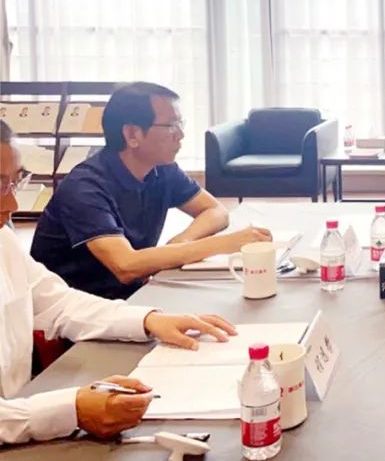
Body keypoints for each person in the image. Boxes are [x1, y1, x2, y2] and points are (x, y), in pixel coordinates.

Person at [1, 118, 238, 445]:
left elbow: (60, 304)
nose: (12, 205)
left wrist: (149, 320)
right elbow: (126, 265)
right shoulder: (84, 186)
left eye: (15, 183)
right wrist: (70, 410)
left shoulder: (4, 242)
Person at [30, 82, 270, 299]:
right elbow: (125, 266)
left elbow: (216, 212)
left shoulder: (161, 169)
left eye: (180, 124)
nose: (181, 135)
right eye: (170, 126)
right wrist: (222, 244)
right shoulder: (85, 188)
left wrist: (180, 242)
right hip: (78, 310)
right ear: (132, 134)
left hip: (132, 294)